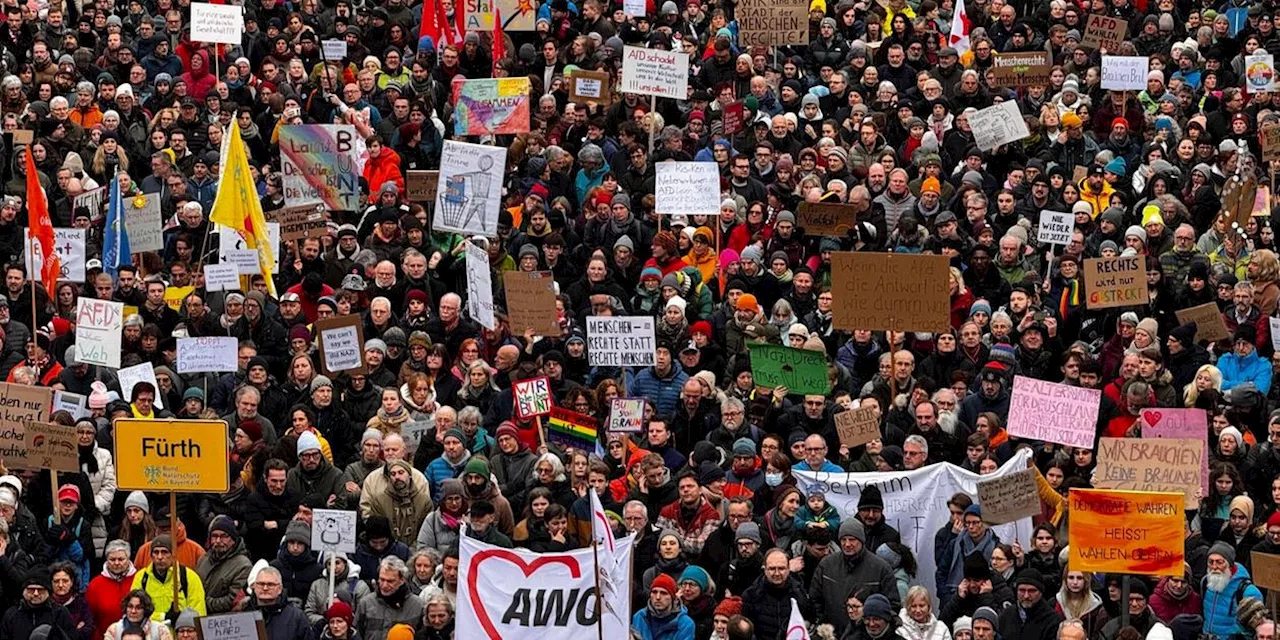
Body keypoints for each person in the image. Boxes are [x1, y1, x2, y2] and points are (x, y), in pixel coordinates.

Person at [129, 535, 206, 621]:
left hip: (180, 633)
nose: (160, 557)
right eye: (156, 552)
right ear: (151, 556)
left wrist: (182, 620)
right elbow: (135, 612)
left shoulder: (189, 577)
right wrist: (164, 617)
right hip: (150, 632)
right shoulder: (142, 577)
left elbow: (198, 613)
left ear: (173, 554)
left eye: (165, 552)